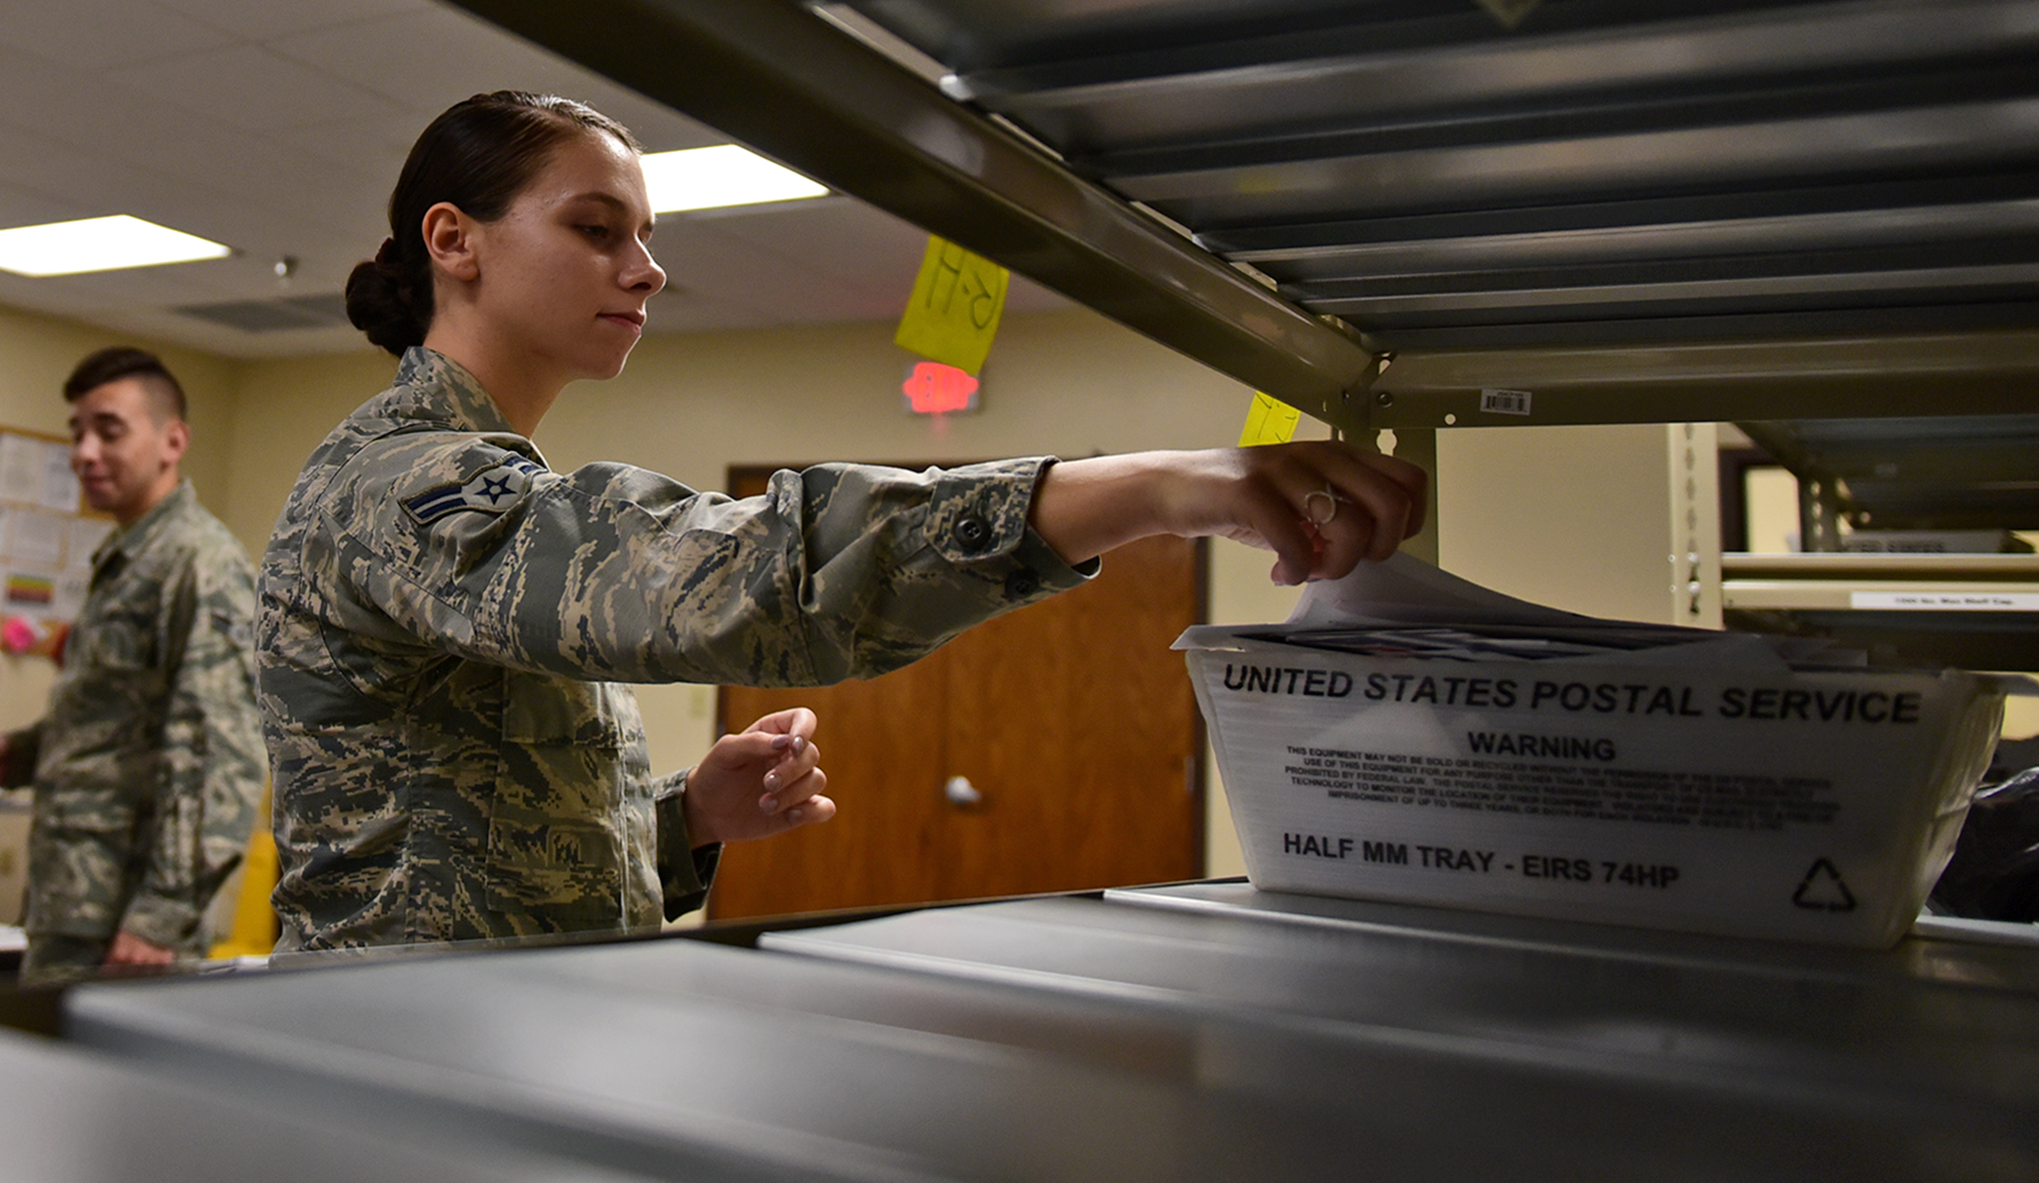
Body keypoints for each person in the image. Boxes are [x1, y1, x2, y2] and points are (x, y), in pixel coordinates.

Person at [259, 91, 1426, 953]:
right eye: (598, 230)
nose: (647, 269)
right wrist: (1157, 488)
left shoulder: (477, 480)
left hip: (491, 1033)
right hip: (393, 1050)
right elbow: (735, 582)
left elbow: (449, 840)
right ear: (454, 240)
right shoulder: (400, 485)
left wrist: (684, 822)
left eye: (647, 236)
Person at [2, 349, 268, 985]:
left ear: (172, 441)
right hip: (75, 901)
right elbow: (109, 720)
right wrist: (19, 753)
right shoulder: (128, 558)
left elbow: (218, 749)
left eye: (109, 431)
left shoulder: (197, 562)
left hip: (127, 922)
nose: (84, 453)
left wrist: (160, 917)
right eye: (76, 433)